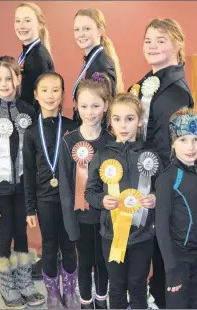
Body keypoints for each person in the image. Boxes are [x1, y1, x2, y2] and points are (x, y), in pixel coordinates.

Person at [128, 18, 193, 308]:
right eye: (148, 40)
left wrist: (159, 192)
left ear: (178, 45)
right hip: (145, 180)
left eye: (161, 40)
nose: (152, 46)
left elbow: (170, 149)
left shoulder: (176, 90)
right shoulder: (148, 83)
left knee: (162, 254)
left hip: (160, 186)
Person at [0, 56, 45, 309]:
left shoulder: (28, 110)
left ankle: (24, 282)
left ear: (18, 79)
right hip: (0, 189)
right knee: (4, 236)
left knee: (22, 234)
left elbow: (35, 154)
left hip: (24, 188)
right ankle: (8, 284)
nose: (4, 84)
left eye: (8, 78)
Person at [85, 93, 159, 309]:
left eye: (130, 118)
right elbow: (90, 192)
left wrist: (155, 198)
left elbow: (162, 189)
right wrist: (101, 200)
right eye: (117, 119)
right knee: (116, 286)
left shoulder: (150, 155)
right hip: (111, 235)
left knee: (137, 285)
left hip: (142, 236)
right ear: (110, 121)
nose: (123, 125)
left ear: (140, 121)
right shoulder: (101, 155)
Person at [23, 71, 80, 309]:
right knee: (48, 245)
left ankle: (69, 291)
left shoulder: (72, 127)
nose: (50, 95)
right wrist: (29, 208)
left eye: (55, 90)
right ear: (36, 95)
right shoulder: (31, 132)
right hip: (44, 199)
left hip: (68, 199)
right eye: (44, 90)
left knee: (69, 244)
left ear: (63, 95)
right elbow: (27, 172)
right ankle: (53, 293)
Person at [60, 73, 114, 309]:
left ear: (106, 105)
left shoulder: (112, 140)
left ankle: (102, 300)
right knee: (85, 263)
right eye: (83, 106)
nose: (90, 112)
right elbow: (64, 186)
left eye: (95, 105)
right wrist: (70, 224)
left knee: (103, 262)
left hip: (105, 218)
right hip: (80, 218)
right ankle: (85, 302)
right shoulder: (68, 141)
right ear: (75, 106)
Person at [155, 107, 197, 309]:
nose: (190, 146)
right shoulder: (167, 179)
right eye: (183, 140)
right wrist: (171, 269)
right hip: (178, 260)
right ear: (173, 142)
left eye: (196, 139)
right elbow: (161, 227)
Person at [72, 8, 124, 125]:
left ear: (100, 31)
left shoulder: (100, 65)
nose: (81, 34)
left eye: (87, 29)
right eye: (77, 29)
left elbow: (102, 111)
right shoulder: (92, 60)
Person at [15, 2, 54, 114]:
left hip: (32, 123)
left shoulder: (38, 57)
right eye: (18, 21)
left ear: (40, 24)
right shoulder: (28, 53)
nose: (21, 26)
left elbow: (39, 101)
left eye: (27, 21)